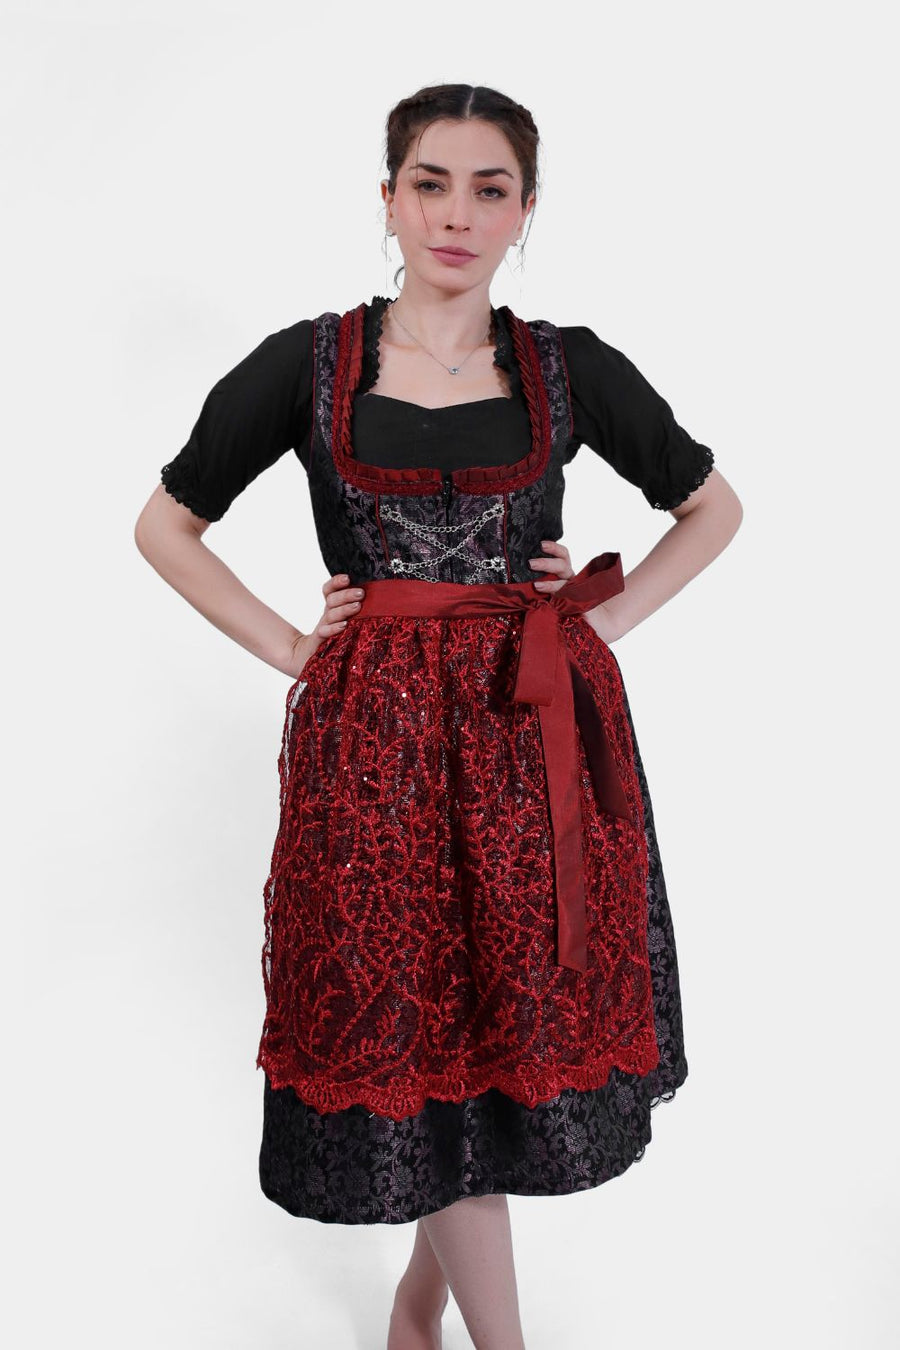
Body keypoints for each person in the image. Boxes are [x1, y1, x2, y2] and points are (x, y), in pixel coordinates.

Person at [135, 83, 742, 1350]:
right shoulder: (309, 364)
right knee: (420, 1026)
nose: (457, 214)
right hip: (377, 756)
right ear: (388, 197)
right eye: (430, 183)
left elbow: (712, 507)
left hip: (533, 746)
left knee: (497, 1034)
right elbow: (166, 525)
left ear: (526, 211)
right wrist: (294, 647)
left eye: (489, 189)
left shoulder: (568, 367)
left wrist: (600, 627)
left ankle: (421, 1307)